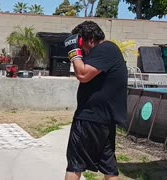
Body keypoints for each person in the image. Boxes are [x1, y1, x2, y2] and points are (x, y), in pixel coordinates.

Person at [64, 21, 128, 180]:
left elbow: (83, 75)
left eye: (82, 45)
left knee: (75, 163)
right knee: (109, 167)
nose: (83, 50)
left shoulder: (105, 49)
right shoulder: (107, 51)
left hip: (90, 117)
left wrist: (74, 52)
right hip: (102, 119)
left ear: (91, 39)